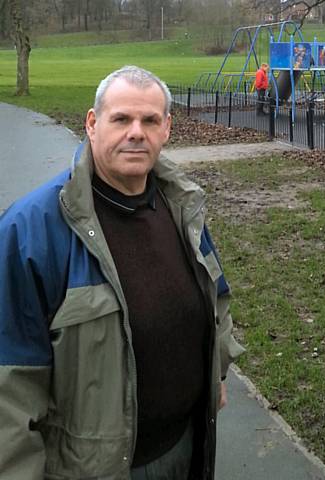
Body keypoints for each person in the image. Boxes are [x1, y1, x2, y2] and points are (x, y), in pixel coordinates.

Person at [0, 65, 244, 479]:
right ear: (93, 124)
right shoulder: (30, 232)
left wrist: (217, 370)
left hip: (187, 446)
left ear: (166, 128)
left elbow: (214, 296)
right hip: (95, 468)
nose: (136, 132)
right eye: (122, 119)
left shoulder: (183, 209)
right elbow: (10, 385)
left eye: (150, 120)